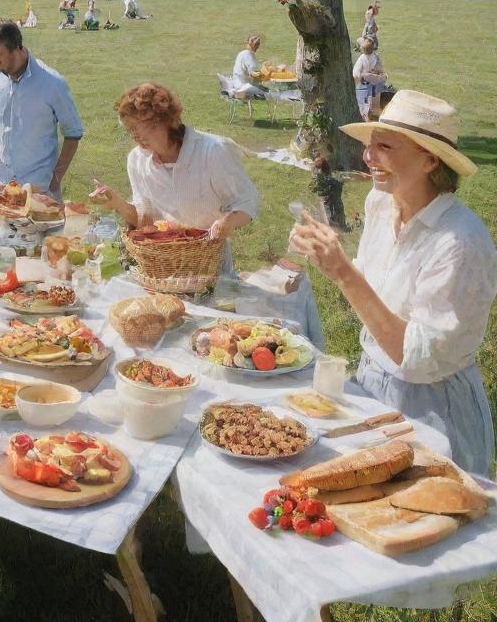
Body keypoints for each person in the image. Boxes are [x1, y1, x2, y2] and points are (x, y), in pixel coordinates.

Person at [289, 90, 495, 474]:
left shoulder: (459, 243)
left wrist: (343, 274)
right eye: (369, 144)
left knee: (423, 524)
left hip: (433, 409)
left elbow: (416, 360)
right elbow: (375, 289)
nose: (368, 156)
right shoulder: (381, 202)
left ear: (430, 160)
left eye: (384, 146)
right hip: (372, 384)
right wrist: (327, 258)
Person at [90, 83, 259, 272]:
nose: (135, 135)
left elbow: (246, 202)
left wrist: (227, 222)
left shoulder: (212, 151)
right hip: (161, 266)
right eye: (130, 129)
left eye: (140, 126)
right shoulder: (137, 160)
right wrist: (116, 201)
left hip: (209, 266)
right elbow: (144, 220)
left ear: (165, 119)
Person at [0, 20, 83, 199]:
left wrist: (55, 179)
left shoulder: (52, 83)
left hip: (38, 189)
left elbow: (73, 133)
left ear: (16, 48)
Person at [352, 37, 388, 113]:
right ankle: (372, 110)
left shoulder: (363, 58)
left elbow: (356, 73)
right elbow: (380, 70)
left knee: (368, 99)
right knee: (372, 96)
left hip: (367, 81)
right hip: (370, 81)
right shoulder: (374, 57)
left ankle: (370, 111)